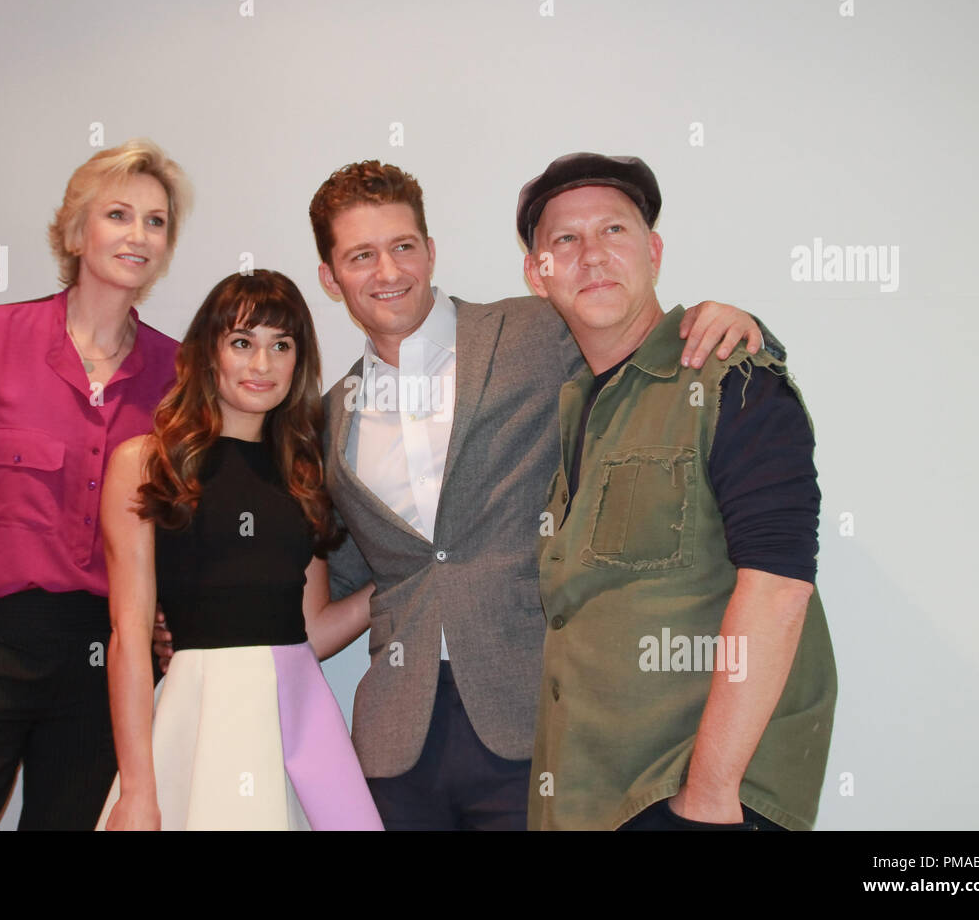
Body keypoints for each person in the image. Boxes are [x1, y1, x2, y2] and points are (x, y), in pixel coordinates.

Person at [302, 161, 768, 830]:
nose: (389, 272)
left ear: (431, 252)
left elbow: (638, 341)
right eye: (361, 255)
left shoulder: (535, 330)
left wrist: (723, 320)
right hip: (394, 747)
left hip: (536, 721)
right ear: (330, 277)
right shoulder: (328, 417)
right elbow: (344, 570)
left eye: (404, 246)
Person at [0, 139, 190, 830]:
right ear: (79, 230)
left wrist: (167, 627)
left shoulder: (175, 374)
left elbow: (177, 525)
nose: (138, 234)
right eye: (118, 214)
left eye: (156, 221)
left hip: (99, 665)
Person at [518, 152, 837, 830]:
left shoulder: (730, 380)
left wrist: (711, 797)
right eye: (564, 241)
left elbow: (778, 590)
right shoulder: (578, 408)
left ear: (653, 251)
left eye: (614, 231)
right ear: (536, 274)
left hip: (690, 798)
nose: (592, 256)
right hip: (589, 797)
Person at [97, 270, 382, 830]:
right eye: (242, 343)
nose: (262, 365)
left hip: (298, 727)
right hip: (199, 720)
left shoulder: (303, 475)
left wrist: (406, 579)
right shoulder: (146, 464)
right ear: (209, 354)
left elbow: (312, 631)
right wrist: (136, 789)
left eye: (281, 345)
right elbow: (129, 638)